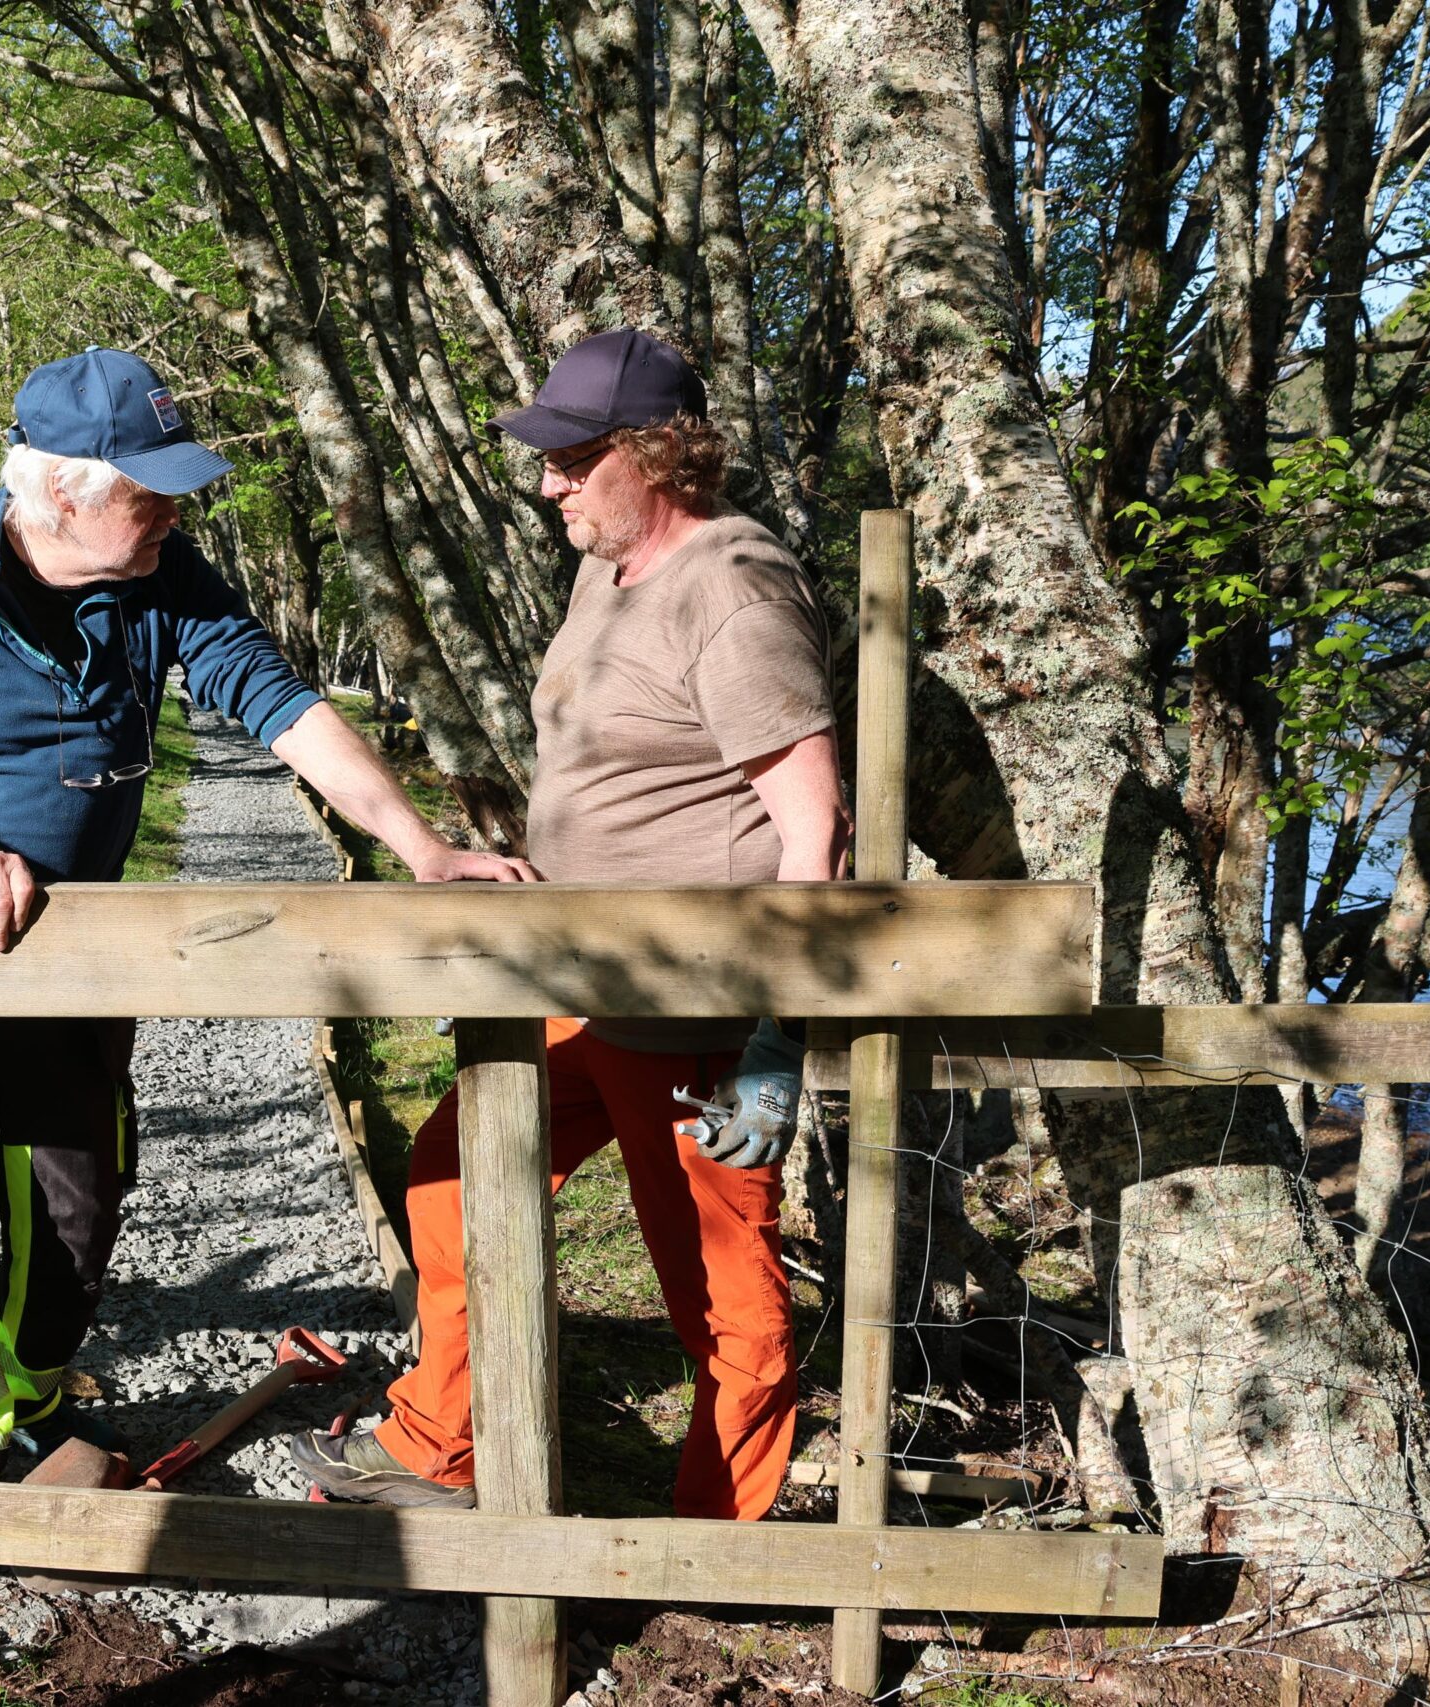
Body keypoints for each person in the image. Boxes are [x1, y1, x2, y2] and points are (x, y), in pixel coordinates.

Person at [0, 345, 536, 1482]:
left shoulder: (161, 574)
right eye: (151, 494)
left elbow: (280, 703)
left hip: (74, 959)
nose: (176, 515)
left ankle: (29, 1396)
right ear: (58, 490)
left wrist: (421, 847)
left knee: (77, 1208)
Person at [286, 329, 849, 1520]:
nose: (547, 486)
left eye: (573, 460)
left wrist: (778, 1043)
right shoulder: (613, 564)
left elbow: (816, 830)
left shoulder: (735, 590)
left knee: (720, 1291)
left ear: (661, 454)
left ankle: (717, 1540)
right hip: (576, 985)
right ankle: (440, 1447)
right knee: (450, 1180)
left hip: (691, 1017)